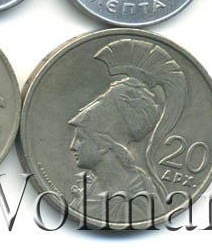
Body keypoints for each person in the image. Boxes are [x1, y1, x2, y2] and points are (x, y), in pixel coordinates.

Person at [68, 38, 187, 225]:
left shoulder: (134, 203)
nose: (73, 146)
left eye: (81, 138)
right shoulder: (91, 188)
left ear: (103, 145)